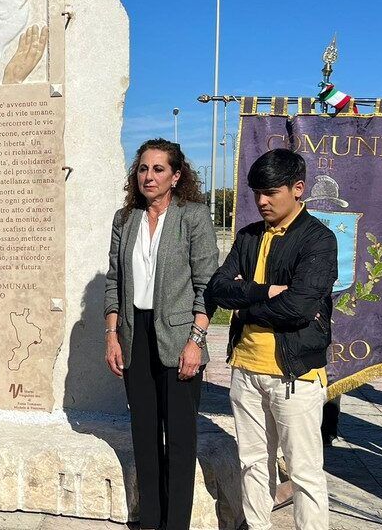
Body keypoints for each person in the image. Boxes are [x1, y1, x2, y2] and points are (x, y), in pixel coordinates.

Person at [205, 148, 337, 530]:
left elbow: (298, 308)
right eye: (256, 193)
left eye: (271, 192)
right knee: (252, 463)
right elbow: (217, 288)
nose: (261, 201)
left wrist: (243, 300)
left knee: (305, 471)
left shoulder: (319, 239)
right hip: (245, 369)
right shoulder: (247, 236)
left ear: (298, 189)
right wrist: (266, 292)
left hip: (294, 374)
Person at [102, 139, 218, 530]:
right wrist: (112, 334)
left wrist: (195, 342)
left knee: (180, 440)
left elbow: (207, 285)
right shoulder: (125, 219)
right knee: (145, 435)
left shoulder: (193, 217)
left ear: (176, 176)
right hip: (136, 336)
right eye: (142, 169)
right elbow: (115, 280)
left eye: (158, 169)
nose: (148, 177)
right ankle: (150, 520)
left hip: (180, 338)